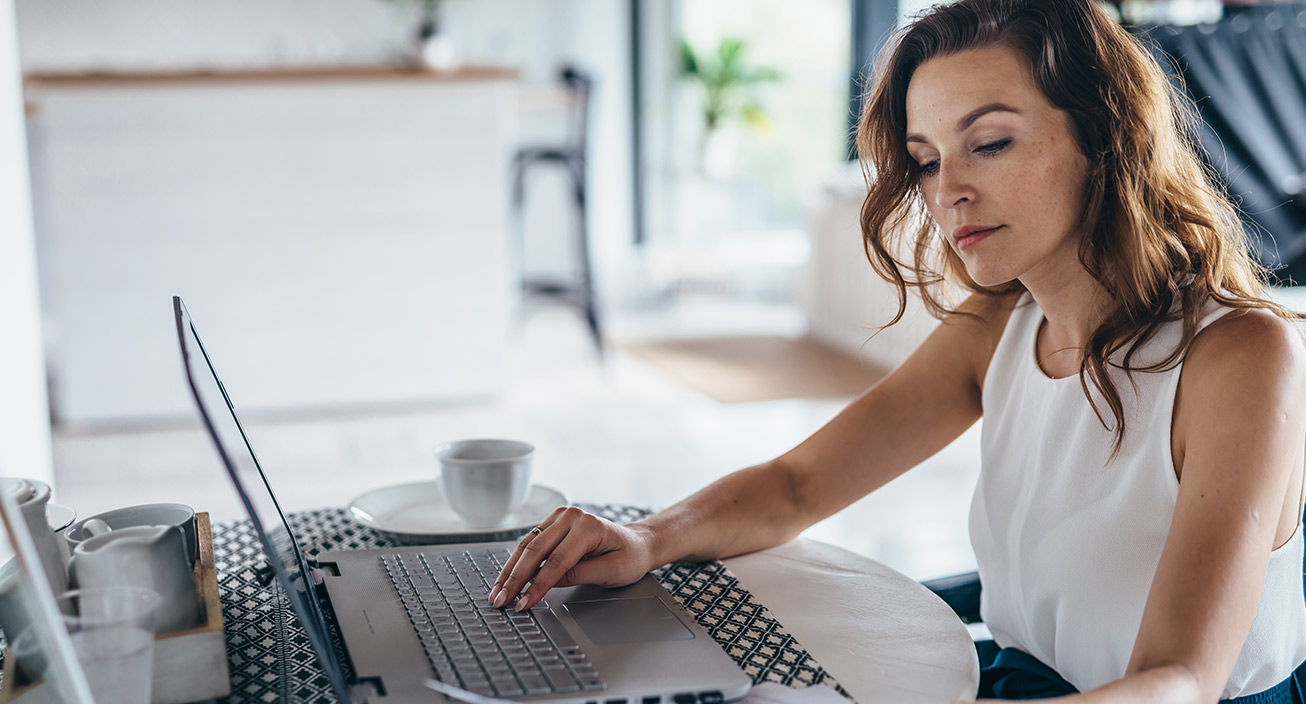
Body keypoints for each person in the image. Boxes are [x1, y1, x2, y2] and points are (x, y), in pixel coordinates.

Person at [490, 1, 1306, 701]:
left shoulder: (1239, 355)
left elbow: (1179, 681)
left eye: (990, 143)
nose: (948, 189)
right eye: (925, 159)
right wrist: (648, 539)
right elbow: (797, 484)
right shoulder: (1000, 326)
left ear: (1104, 137)